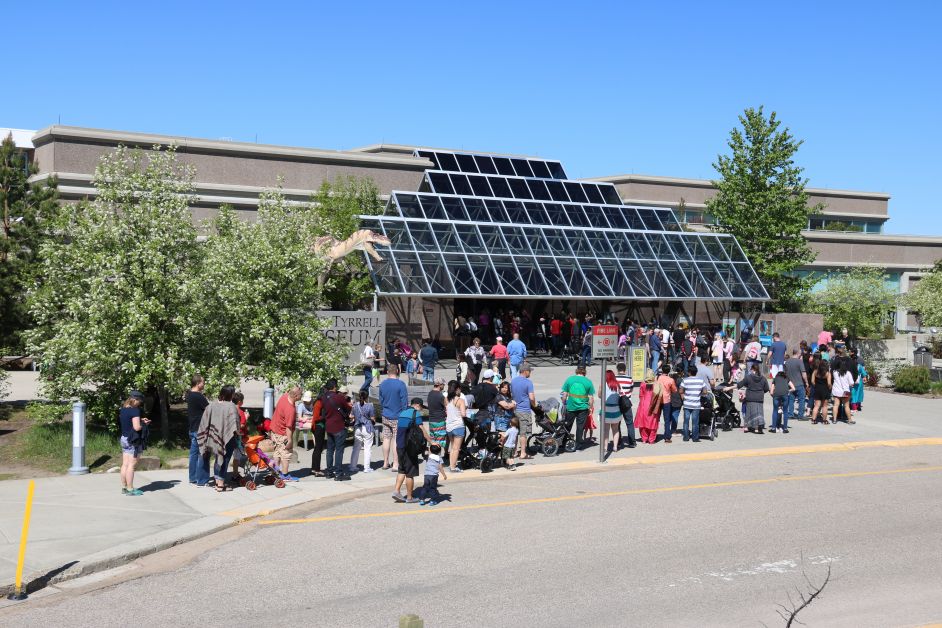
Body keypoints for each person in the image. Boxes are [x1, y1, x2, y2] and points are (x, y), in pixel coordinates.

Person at [197, 384, 242, 492]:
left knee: (218, 458)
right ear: (231, 395)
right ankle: (220, 485)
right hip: (228, 438)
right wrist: (239, 435)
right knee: (224, 459)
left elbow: (204, 421)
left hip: (214, 437)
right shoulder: (231, 407)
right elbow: (235, 424)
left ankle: (218, 482)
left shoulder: (212, 405)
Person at [392, 398, 434, 504]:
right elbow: (422, 430)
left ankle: (396, 491)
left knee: (402, 469)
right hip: (410, 448)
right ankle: (410, 497)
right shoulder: (415, 414)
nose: (420, 410)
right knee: (410, 473)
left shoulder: (402, 413)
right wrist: (431, 442)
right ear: (417, 405)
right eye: (420, 407)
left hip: (400, 446)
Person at [379, 364, 409, 470]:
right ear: (397, 371)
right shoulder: (401, 384)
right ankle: (395, 464)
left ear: (388, 372)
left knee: (386, 438)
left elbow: (381, 401)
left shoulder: (382, 384)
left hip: (386, 414)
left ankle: (385, 462)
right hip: (398, 416)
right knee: (396, 439)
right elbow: (404, 402)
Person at [119, 391, 149, 495]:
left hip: (124, 438)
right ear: (135, 400)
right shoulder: (135, 411)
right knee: (131, 466)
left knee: (125, 464)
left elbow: (129, 421)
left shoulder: (123, 409)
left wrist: (140, 420)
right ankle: (130, 489)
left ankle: (124, 487)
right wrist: (143, 424)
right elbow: (136, 427)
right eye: (139, 401)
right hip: (133, 440)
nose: (140, 404)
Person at [561, 365, 595, 449]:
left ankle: (564, 441)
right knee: (580, 427)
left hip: (571, 407)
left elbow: (564, 395)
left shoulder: (569, 379)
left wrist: (564, 403)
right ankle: (578, 443)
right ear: (585, 371)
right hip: (583, 408)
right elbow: (591, 398)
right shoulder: (588, 382)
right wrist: (590, 408)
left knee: (567, 425)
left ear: (576, 370)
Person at [271, 386, 301, 477]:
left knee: (277, 452)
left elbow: (289, 391)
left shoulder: (284, 396)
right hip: (282, 434)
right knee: (286, 455)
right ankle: (285, 475)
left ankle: (275, 473)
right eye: (301, 394)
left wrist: (295, 388)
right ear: (296, 396)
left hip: (274, 431)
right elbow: (288, 427)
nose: (302, 396)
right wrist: (290, 440)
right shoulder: (290, 409)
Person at [186, 375, 210, 487]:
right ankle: (202, 479)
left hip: (193, 427)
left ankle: (193, 477)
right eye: (203, 382)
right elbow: (209, 409)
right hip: (200, 429)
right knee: (203, 454)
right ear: (198, 383)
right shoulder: (198, 396)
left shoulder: (189, 394)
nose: (204, 384)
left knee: (193, 454)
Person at [511, 364, 537, 459]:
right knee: (523, 433)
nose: (530, 373)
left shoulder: (513, 381)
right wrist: (534, 405)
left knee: (515, 431)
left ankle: (514, 452)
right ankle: (523, 453)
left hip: (515, 409)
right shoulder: (528, 382)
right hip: (524, 410)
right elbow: (531, 397)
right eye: (529, 371)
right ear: (525, 371)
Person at [348, 390, 375, 474]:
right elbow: (373, 418)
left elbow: (351, 416)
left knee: (356, 448)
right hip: (367, 428)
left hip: (357, 428)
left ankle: (353, 466)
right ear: (367, 397)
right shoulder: (370, 406)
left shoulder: (355, 405)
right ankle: (366, 468)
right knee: (367, 448)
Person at [737, 364, 770, 433]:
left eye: (751, 370)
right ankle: (756, 429)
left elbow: (740, 385)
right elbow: (766, 388)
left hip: (750, 397)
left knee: (749, 412)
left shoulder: (748, 377)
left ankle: (746, 428)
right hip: (759, 398)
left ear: (753, 369)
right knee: (758, 413)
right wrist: (760, 392)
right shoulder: (763, 378)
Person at [445, 380, 468, 472]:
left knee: (452, 447)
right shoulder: (460, 400)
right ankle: (453, 467)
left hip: (449, 425)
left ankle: (451, 465)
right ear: (457, 389)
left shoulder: (446, 399)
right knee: (456, 448)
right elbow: (463, 414)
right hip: (458, 425)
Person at [679, 366, 705, 442]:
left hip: (687, 404)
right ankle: (695, 438)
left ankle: (686, 437)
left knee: (686, 421)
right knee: (695, 422)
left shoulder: (685, 380)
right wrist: (699, 393)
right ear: (696, 372)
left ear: (689, 372)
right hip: (696, 404)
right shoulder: (701, 381)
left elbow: (680, 391)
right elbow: (705, 391)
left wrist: (684, 396)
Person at [784, 349, 808, 424]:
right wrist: (807, 382)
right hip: (799, 383)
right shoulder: (799, 362)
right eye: (800, 353)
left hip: (790, 384)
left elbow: (785, 373)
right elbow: (803, 373)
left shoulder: (787, 362)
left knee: (791, 400)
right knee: (801, 400)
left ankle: (790, 414)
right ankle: (800, 415)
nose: (801, 355)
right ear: (797, 353)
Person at [615, 362, 636, 448]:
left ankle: (618, 441)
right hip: (627, 403)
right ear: (625, 369)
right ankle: (632, 442)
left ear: (617, 369)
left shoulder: (614, 379)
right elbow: (631, 390)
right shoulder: (629, 378)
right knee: (630, 423)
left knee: (617, 423)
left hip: (617, 403)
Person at [634, 372, 660, 444]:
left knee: (643, 423)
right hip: (653, 405)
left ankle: (644, 439)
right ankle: (651, 440)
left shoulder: (643, 384)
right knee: (653, 423)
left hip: (643, 404)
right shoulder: (656, 384)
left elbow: (640, 395)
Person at [601, 370, 622, 451]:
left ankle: (605, 447)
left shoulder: (603, 384)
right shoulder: (617, 384)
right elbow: (619, 396)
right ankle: (615, 447)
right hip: (616, 409)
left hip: (607, 409)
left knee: (606, 430)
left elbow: (600, 396)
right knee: (615, 429)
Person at [656, 364, 678, 444]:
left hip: (658, 399)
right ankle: (667, 437)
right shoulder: (670, 380)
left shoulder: (658, 378)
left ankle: (653, 435)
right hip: (666, 401)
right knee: (667, 420)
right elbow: (674, 390)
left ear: (662, 370)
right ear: (669, 371)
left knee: (656, 418)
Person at [831, 359, 856, 424]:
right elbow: (851, 383)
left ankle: (834, 419)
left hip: (836, 391)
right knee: (846, 406)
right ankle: (850, 420)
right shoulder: (848, 373)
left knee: (836, 405)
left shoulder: (834, 372)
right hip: (846, 391)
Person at [426, 377, 448, 453]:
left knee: (432, 441)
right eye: (443, 384)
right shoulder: (440, 396)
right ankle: (437, 460)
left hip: (431, 421)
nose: (444, 386)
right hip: (439, 421)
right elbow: (447, 407)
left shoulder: (430, 393)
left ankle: (430, 457)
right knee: (439, 442)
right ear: (439, 385)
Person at [810, 359, 832, 424]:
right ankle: (824, 420)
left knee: (816, 405)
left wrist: (816, 385)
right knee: (824, 406)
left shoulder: (815, 371)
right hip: (825, 390)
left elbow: (812, 381)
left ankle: (813, 420)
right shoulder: (827, 373)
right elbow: (829, 383)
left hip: (817, 389)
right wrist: (830, 387)